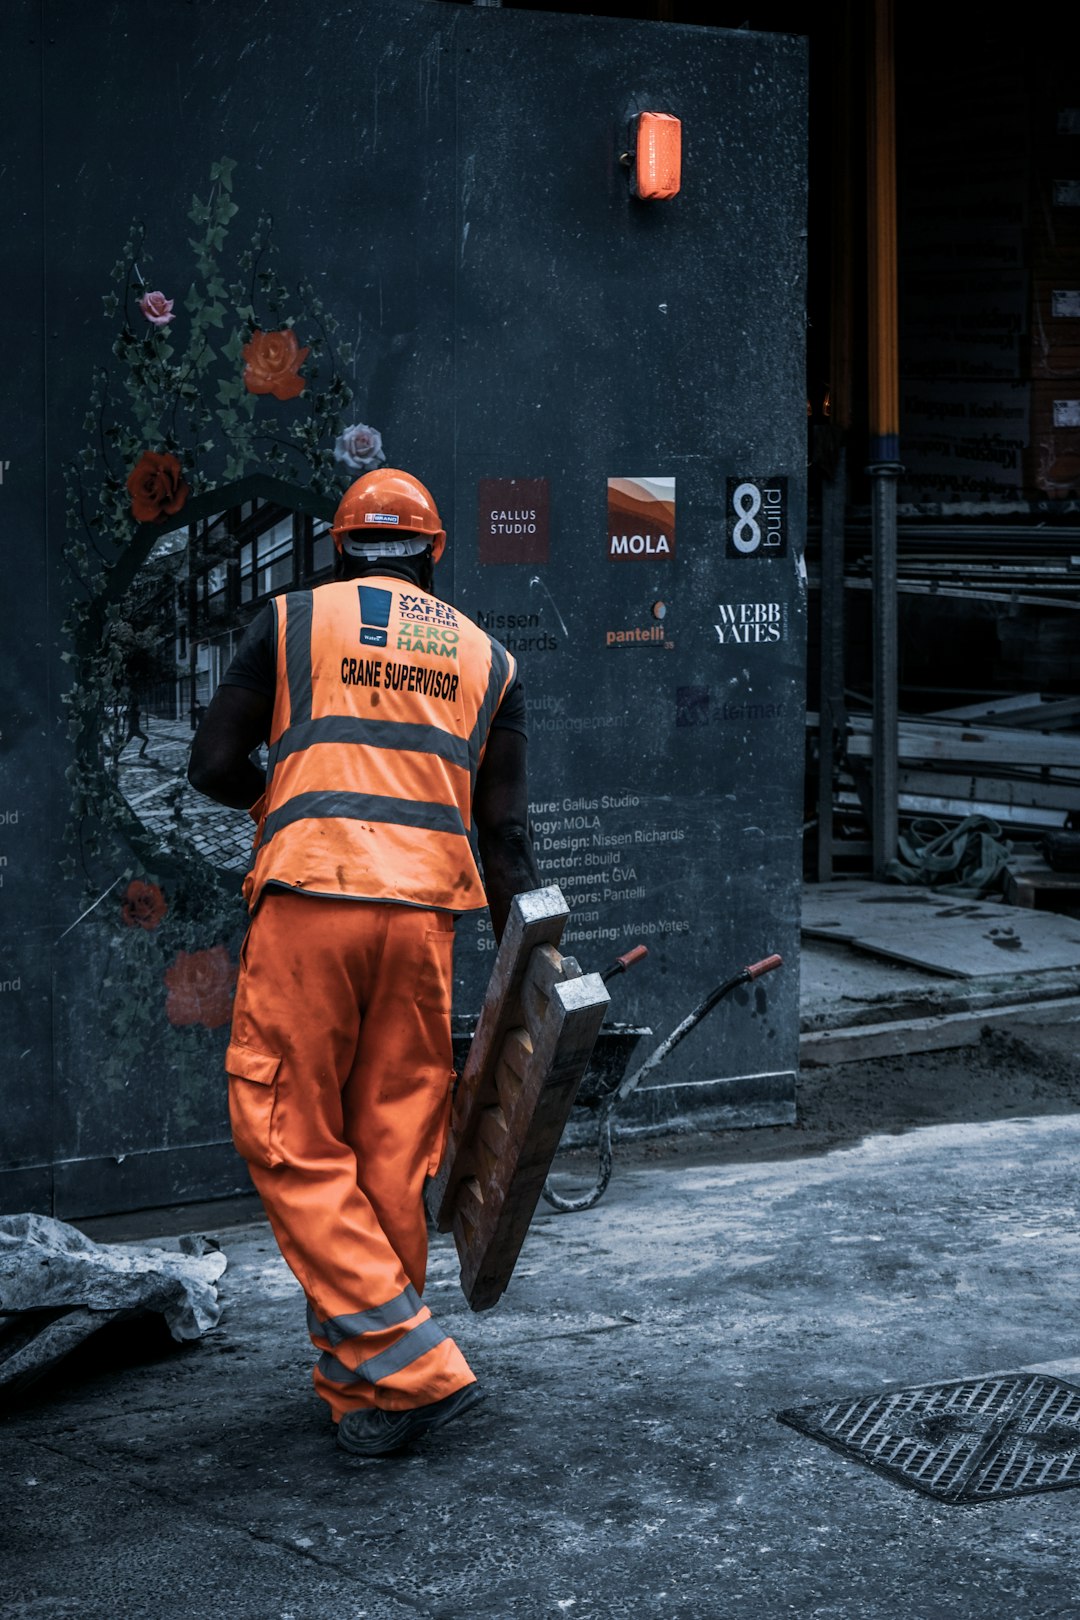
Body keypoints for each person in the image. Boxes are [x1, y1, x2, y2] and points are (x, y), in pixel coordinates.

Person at [187, 468, 542, 1457]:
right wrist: (537, 974)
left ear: (338, 549)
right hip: (425, 923)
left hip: (314, 903)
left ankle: (416, 1365)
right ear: (433, 557)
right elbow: (506, 840)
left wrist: (281, 805)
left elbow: (212, 764)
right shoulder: (488, 659)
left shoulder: (292, 621)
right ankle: (367, 1399)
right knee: (390, 1147)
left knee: (287, 1133)